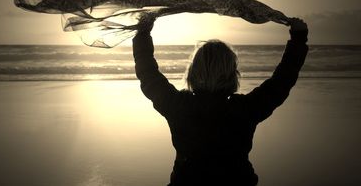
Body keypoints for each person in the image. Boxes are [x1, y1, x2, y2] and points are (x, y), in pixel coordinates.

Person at [132, 16, 308, 186]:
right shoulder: (245, 109)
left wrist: (142, 35)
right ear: (233, 74)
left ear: (193, 71)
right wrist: (298, 40)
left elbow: (148, 75)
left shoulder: (179, 106)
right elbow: (282, 81)